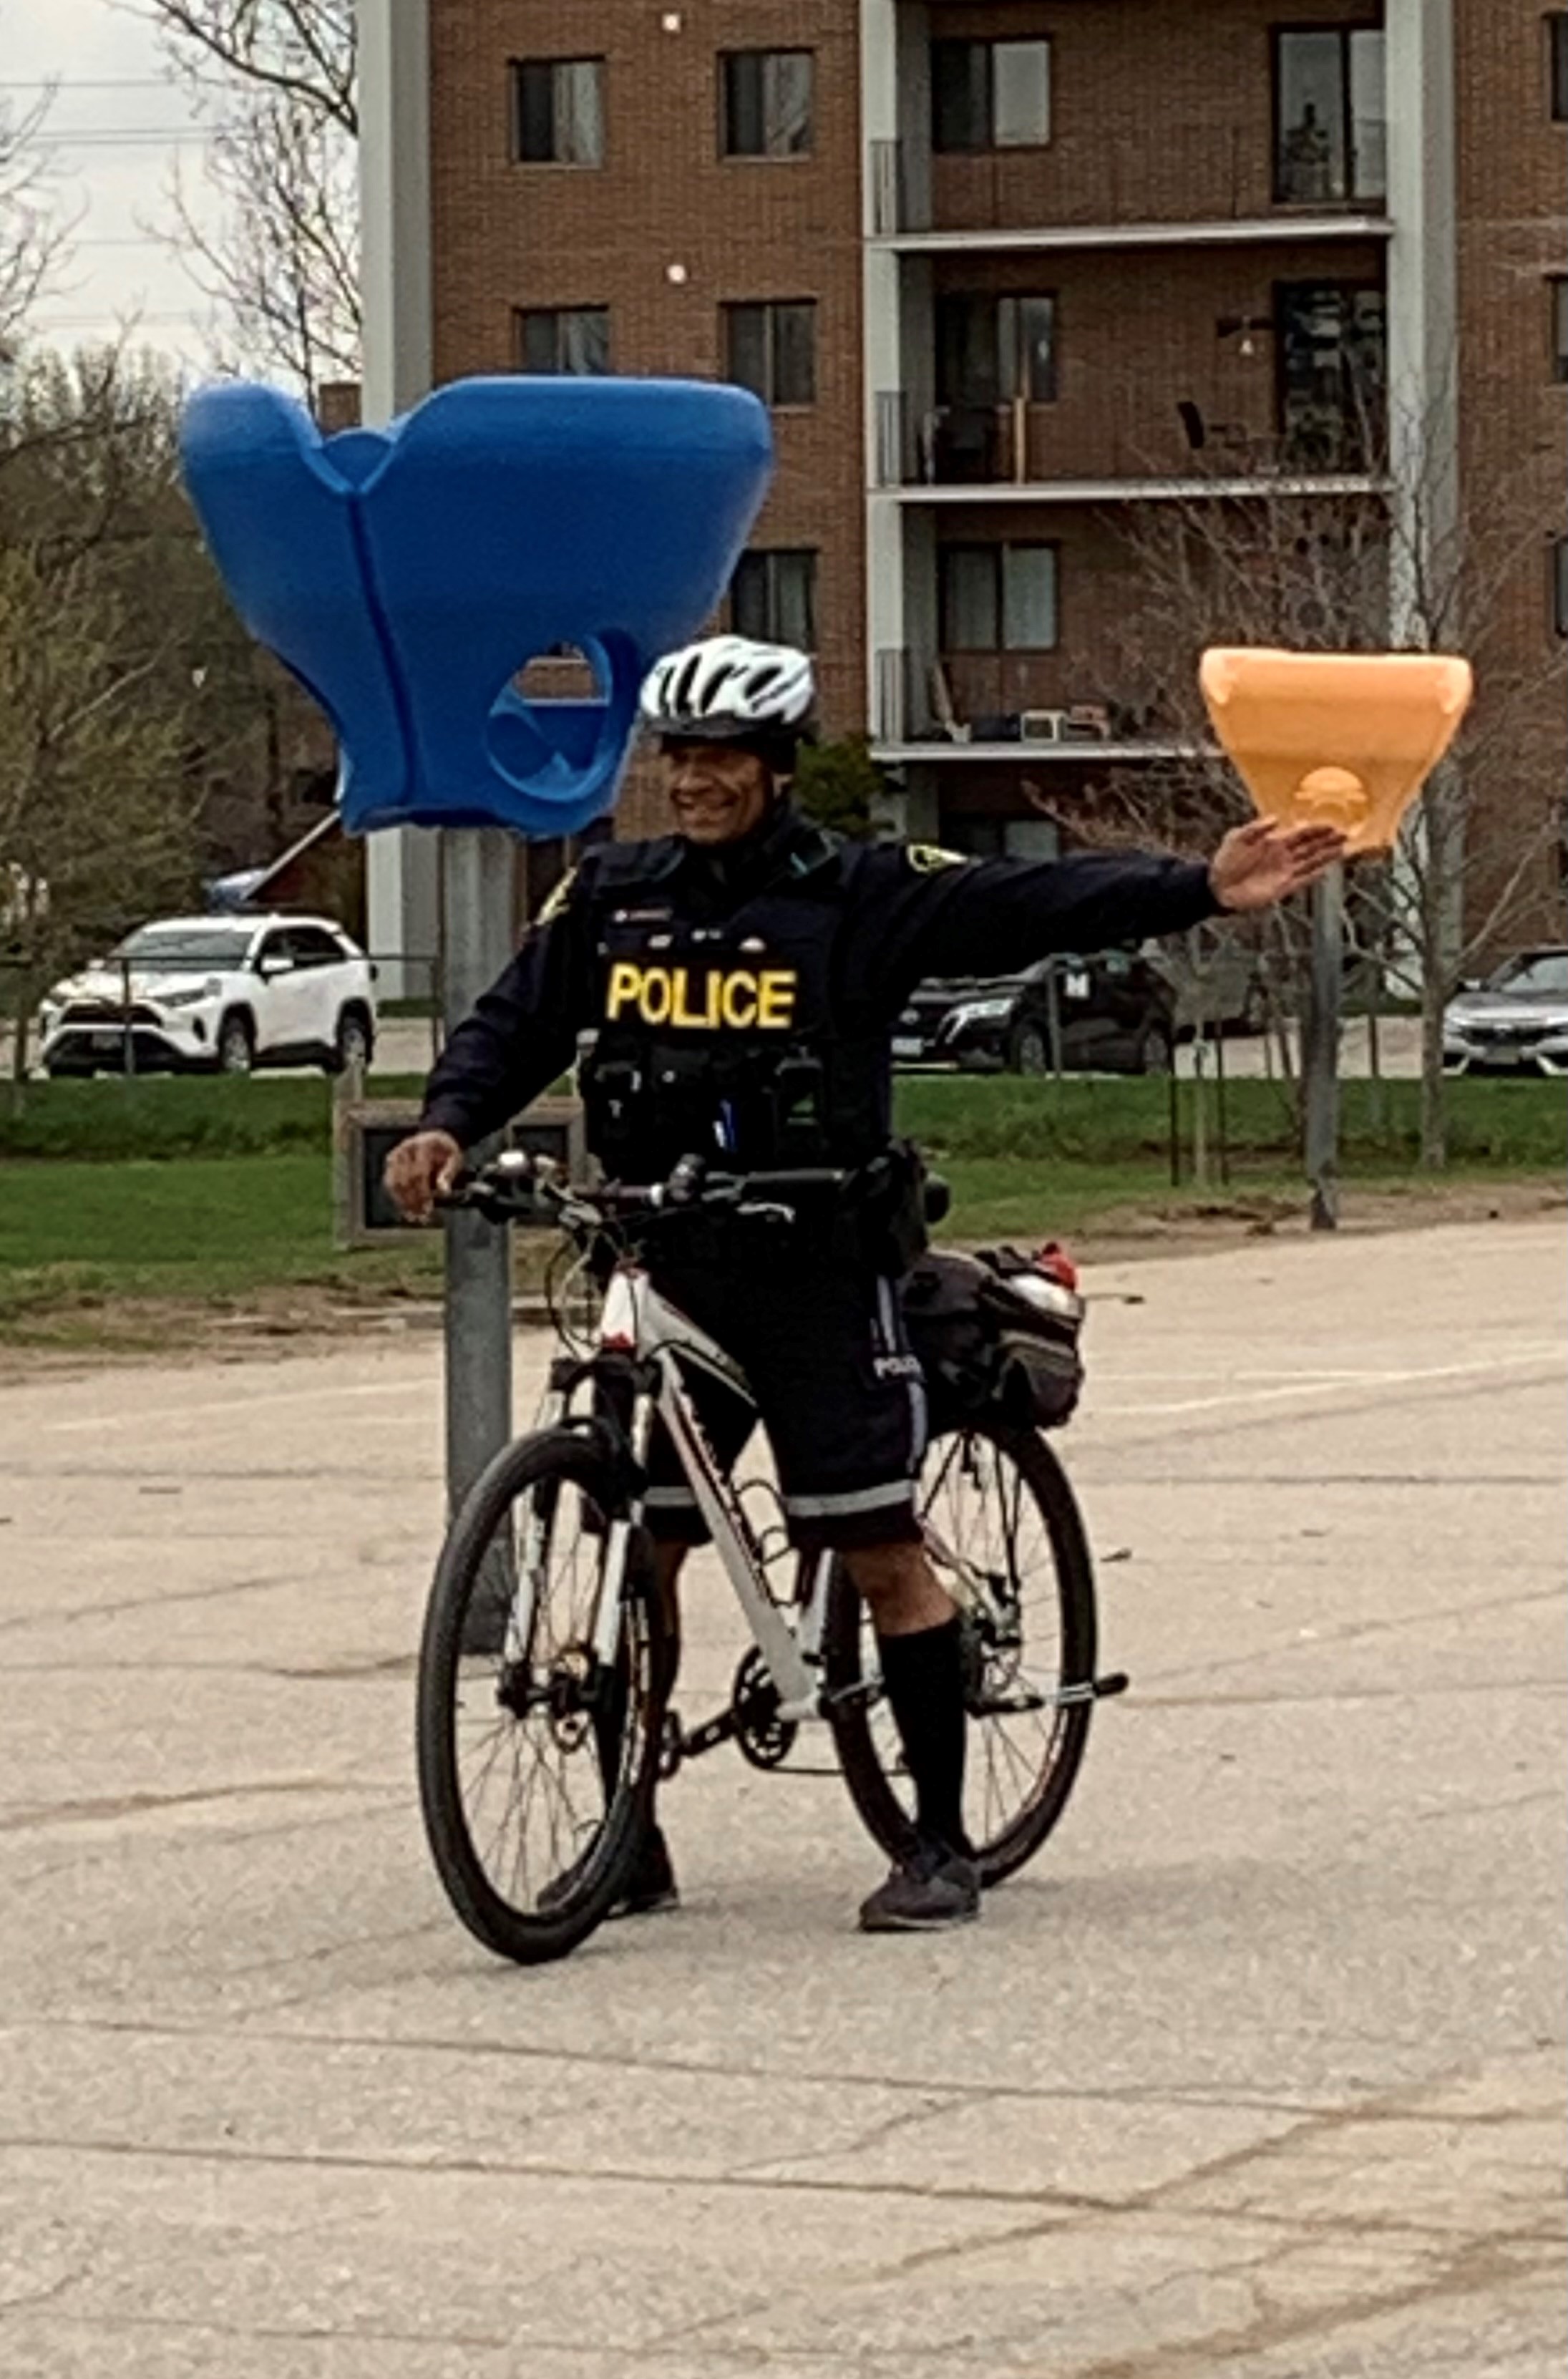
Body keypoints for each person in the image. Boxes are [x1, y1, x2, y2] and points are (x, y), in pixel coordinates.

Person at [386, 634, 1343, 1932]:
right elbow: (515, 1021)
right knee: (644, 1543)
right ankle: (630, 1829)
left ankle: (939, 1845)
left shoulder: (859, 893)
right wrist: (450, 1121)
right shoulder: (612, 895)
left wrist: (1197, 888)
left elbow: (1029, 904)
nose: (694, 781)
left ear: (776, 770)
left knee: (879, 1547)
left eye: (720, 758)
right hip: (668, 1261)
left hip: (817, 1268)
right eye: (680, 757)